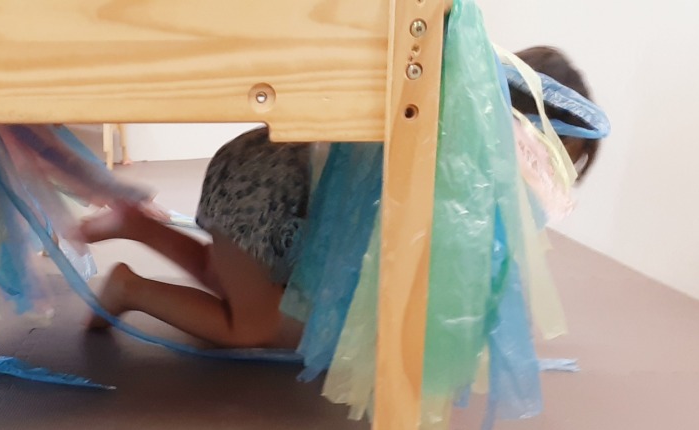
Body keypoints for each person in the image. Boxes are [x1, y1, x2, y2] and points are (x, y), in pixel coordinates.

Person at [81, 47, 601, 350]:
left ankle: (137, 224)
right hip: (267, 184)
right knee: (254, 325)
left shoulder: (463, 140)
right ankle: (129, 289)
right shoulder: (455, 140)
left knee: (231, 277)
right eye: (543, 159)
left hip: (269, 175)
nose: (539, 177)